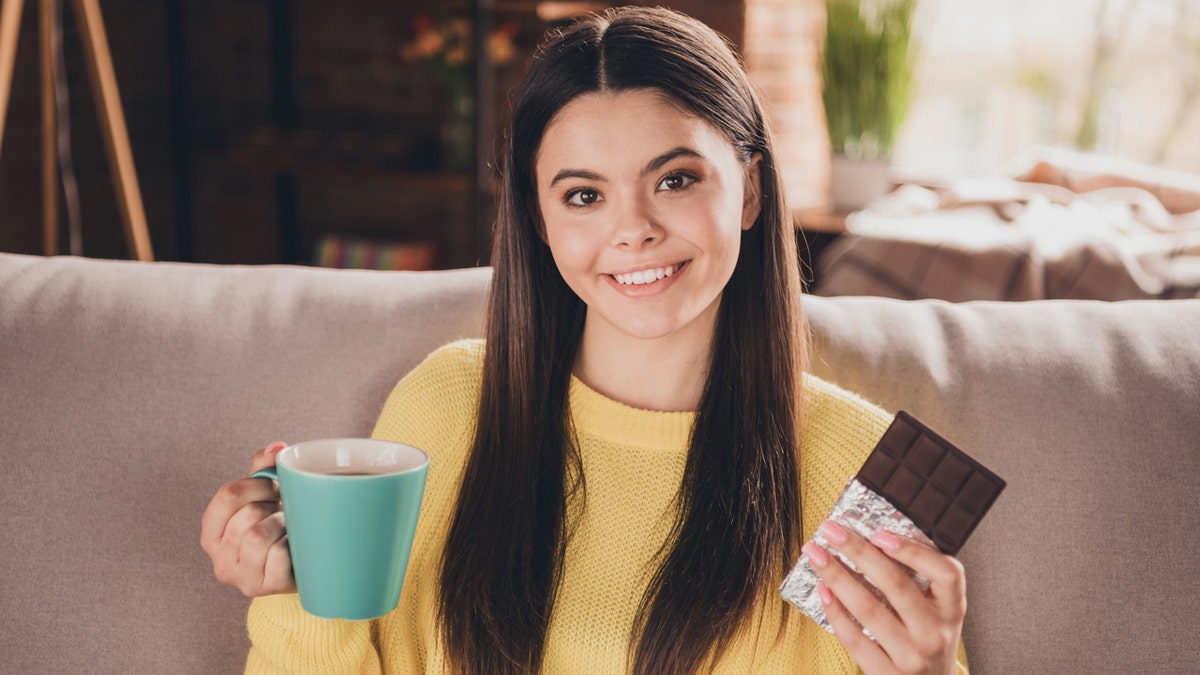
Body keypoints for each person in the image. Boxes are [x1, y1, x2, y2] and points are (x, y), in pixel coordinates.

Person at [200, 6, 969, 674]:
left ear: (752, 191)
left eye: (675, 179)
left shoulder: (864, 471)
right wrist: (295, 589)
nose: (631, 229)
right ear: (539, 221)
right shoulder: (446, 406)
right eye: (583, 195)